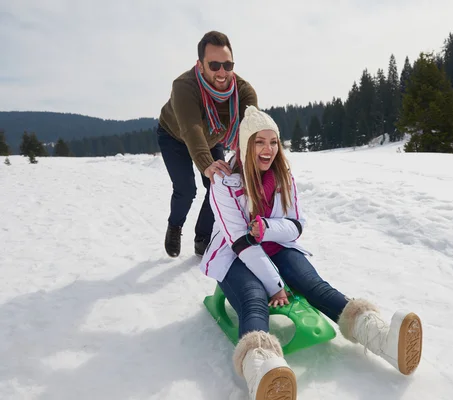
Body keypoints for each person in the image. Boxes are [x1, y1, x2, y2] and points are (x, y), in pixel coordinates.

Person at [199, 106, 423, 400]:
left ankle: (381, 338)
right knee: (255, 298)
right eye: (259, 141)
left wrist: (267, 229)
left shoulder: (283, 177)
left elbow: (295, 226)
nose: (268, 149)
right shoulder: (225, 184)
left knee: (315, 286)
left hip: (276, 246)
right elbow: (240, 243)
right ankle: (263, 371)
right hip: (236, 256)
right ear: (245, 145)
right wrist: (275, 285)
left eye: (273, 142)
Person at [157, 30, 258, 258]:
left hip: (212, 136)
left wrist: (252, 159)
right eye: (214, 65)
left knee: (218, 184)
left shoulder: (243, 91)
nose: (222, 72)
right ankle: (175, 225)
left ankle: (202, 237)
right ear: (200, 65)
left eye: (227, 64)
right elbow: (191, 128)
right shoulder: (184, 86)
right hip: (174, 135)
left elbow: (252, 128)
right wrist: (206, 164)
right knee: (186, 190)